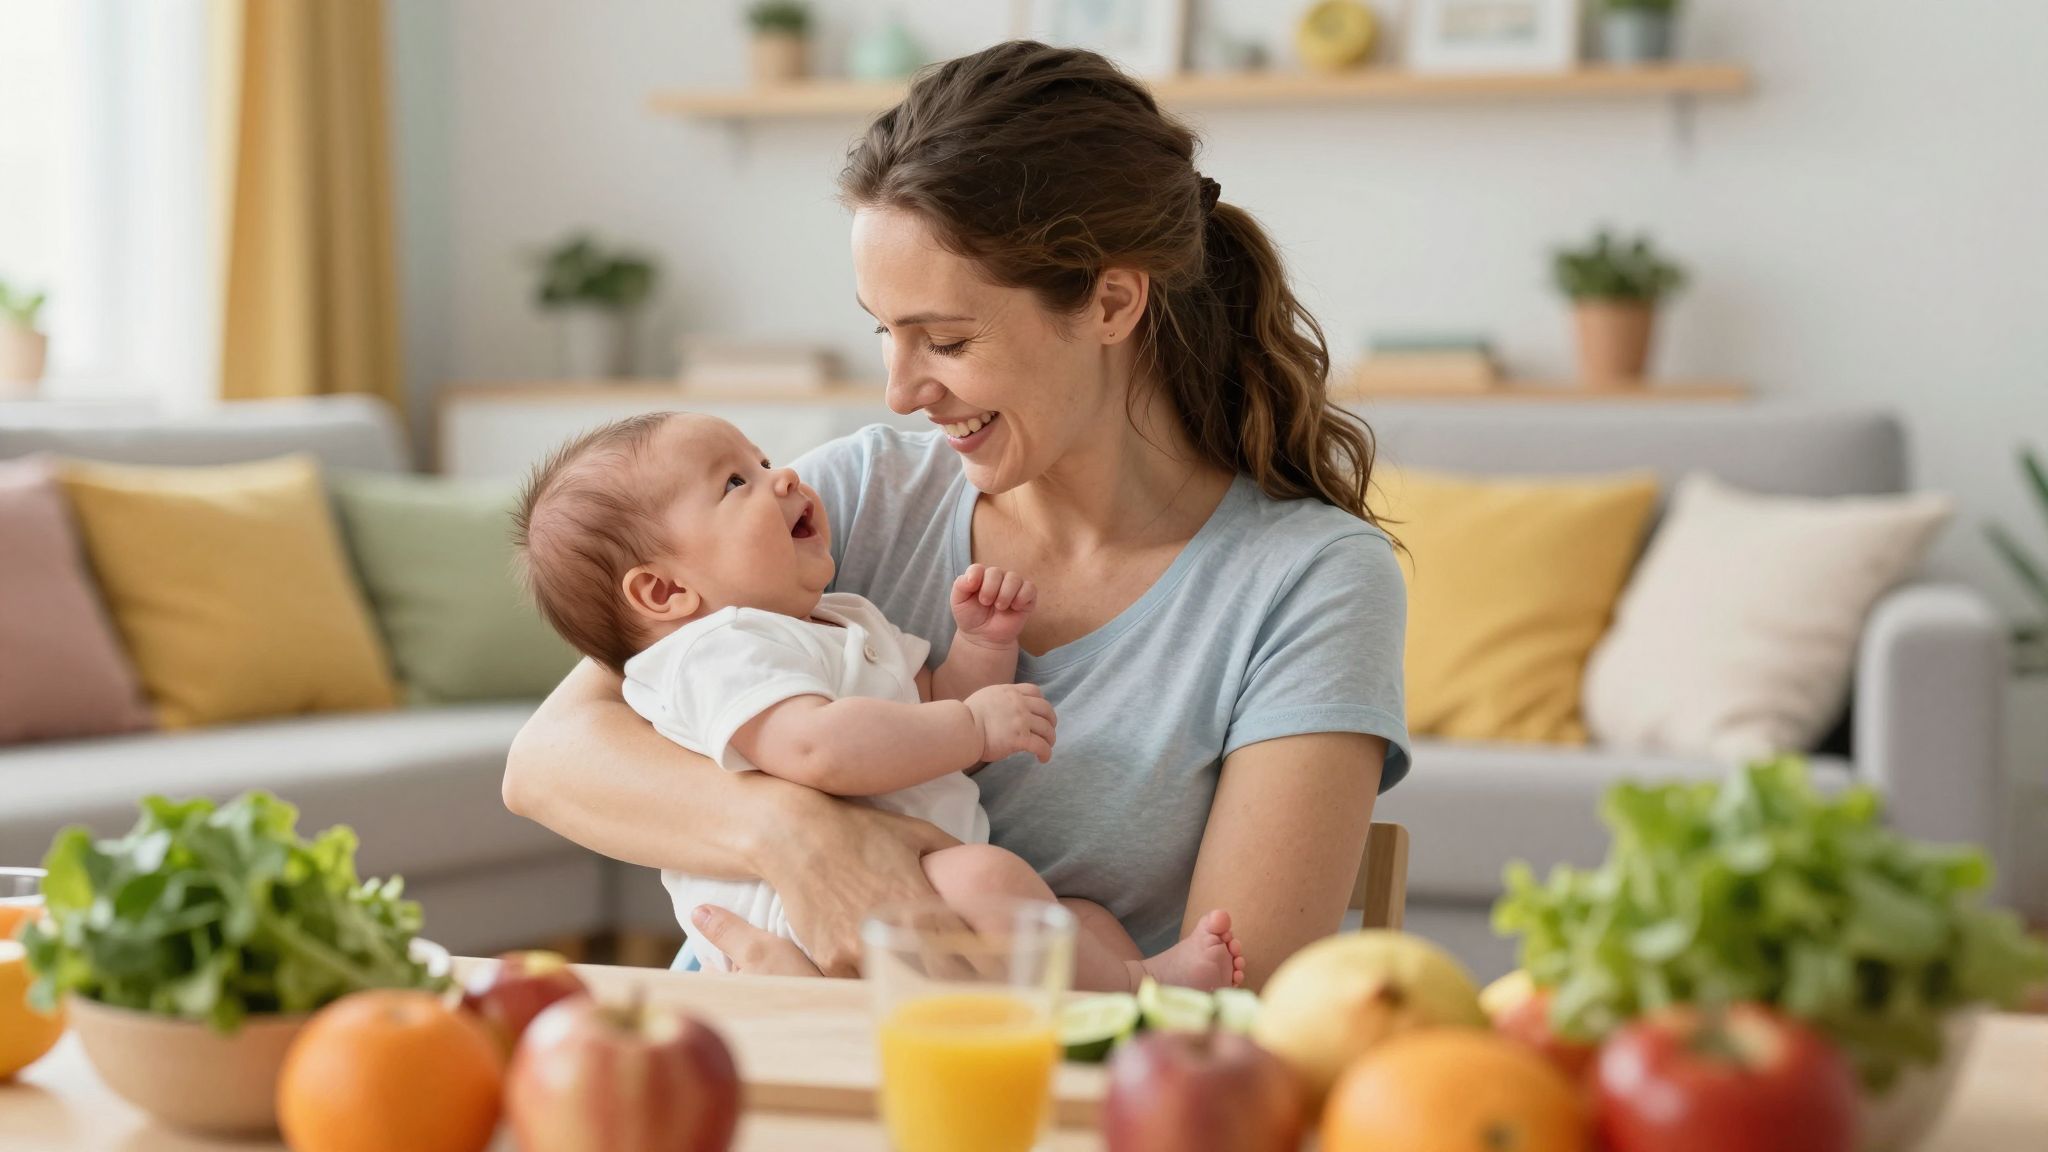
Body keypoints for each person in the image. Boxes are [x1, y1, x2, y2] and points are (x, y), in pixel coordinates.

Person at [502, 40, 1410, 989]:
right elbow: (551, 759)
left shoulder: (1306, 583)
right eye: (884, 333)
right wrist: (796, 834)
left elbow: (1245, 1011)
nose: (898, 392)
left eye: (946, 339)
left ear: (1111, 301)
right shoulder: (856, 496)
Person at [511, 410, 1245, 991]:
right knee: (997, 884)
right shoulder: (715, 652)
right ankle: (1134, 987)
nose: (783, 477)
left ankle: (1127, 995)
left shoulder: (837, 617)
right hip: (798, 919)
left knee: (1072, 921)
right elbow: (818, 748)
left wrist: (981, 650)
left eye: (762, 459)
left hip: (917, 877)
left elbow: (917, 699)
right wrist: (970, 726)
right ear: (665, 591)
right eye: (735, 483)